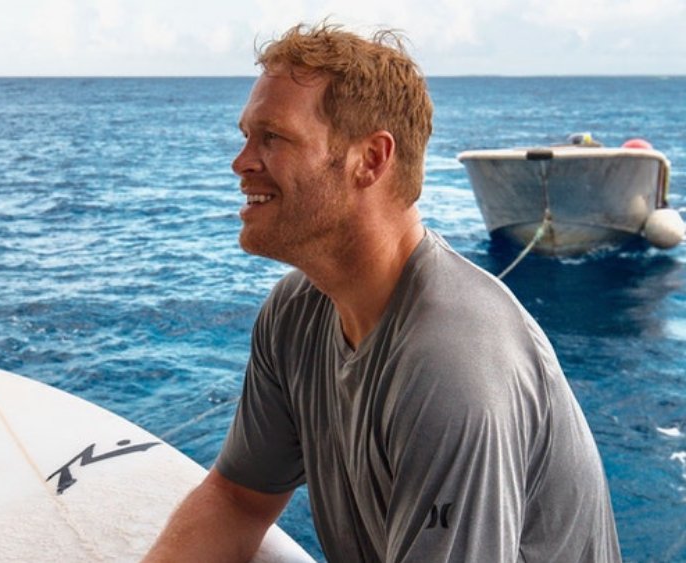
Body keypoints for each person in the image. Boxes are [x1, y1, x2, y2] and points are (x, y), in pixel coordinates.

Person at [143, 21, 621, 563]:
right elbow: (238, 501)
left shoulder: (450, 363)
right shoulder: (296, 312)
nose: (242, 162)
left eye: (271, 137)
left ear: (369, 160)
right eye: (247, 135)